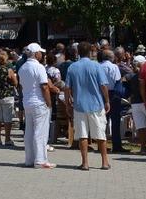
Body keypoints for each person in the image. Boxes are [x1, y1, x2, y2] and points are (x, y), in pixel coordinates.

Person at [64, 42, 111, 170]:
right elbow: (103, 85)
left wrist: (68, 103)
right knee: (101, 134)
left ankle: (85, 163)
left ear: (77, 52)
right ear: (91, 51)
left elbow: (67, 87)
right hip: (96, 104)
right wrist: (107, 100)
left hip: (79, 105)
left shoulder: (72, 67)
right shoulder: (96, 66)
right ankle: (105, 162)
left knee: (82, 135)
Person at [18, 43, 54, 169]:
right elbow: (44, 87)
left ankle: (29, 159)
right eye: (40, 52)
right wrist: (48, 103)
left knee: (29, 131)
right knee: (41, 132)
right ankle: (40, 160)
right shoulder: (39, 67)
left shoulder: (22, 68)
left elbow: (21, 86)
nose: (42, 55)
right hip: (38, 102)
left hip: (27, 102)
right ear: (36, 54)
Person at [100, 49, 129, 153]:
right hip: (113, 94)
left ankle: (101, 145)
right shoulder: (114, 67)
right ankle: (116, 145)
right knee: (115, 121)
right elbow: (117, 80)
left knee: (102, 121)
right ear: (111, 57)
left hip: (101, 94)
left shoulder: (98, 66)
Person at [127, 56, 146, 154]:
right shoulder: (144, 75)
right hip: (144, 102)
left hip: (135, 102)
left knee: (141, 126)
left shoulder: (130, 76)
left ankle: (143, 148)